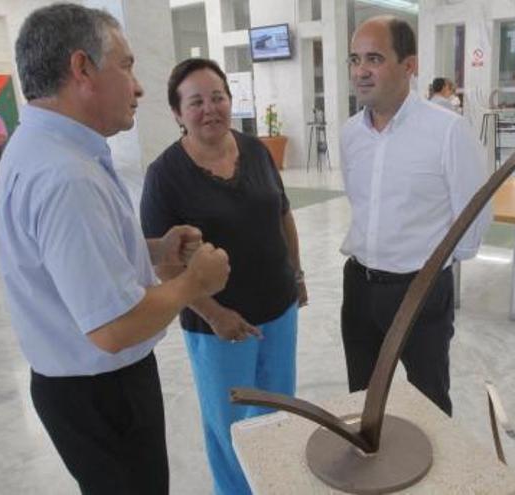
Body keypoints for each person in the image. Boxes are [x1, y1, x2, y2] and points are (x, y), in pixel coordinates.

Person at [0, 5, 230, 494]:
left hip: (79, 389)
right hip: (101, 393)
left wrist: (154, 250)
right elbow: (114, 327)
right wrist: (193, 283)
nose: (138, 86)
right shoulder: (65, 176)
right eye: (126, 65)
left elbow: (71, 258)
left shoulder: (42, 147)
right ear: (82, 69)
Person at [140, 58, 306, 495]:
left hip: (279, 309)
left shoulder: (254, 150)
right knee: (228, 424)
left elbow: (283, 215)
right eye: (196, 102)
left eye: (218, 97)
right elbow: (164, 265)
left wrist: (298, 275)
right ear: (177, 113)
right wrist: (214, 315)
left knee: (278, 410)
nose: (210, 109)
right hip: (217, 327)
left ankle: (274, 484)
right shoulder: (164, 176)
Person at [340, 17, 491, 416]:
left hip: (418, 291)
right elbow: (360, 203)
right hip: (358, 286)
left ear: (409, 66)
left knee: (430, 403)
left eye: (374, 58)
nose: (360, 71)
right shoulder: (350, 134)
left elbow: (474, 217)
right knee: (364, 400)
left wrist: (431, 268)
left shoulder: (448, 131)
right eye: (355, 59)